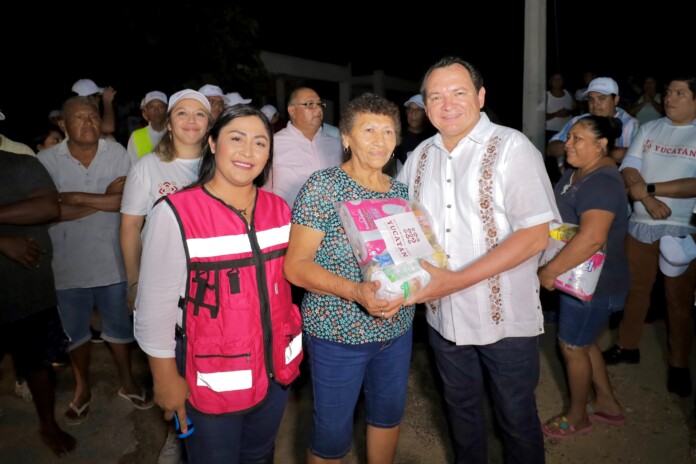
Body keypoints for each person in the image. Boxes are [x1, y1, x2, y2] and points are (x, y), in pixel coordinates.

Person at [397, 56, 559, 463]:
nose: (446, 104)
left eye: (458, 92)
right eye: (435, 96)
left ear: (481, 96)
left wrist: (452, 281)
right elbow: (402, 225)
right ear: (425, 104)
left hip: (503, 317)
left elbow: (535, 234)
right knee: (461, 414)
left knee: (515, 419)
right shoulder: (418, 158)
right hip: (443, 317)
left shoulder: (511, 146)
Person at [134, 104, 303, 463]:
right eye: (236, 139)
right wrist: (165, 378)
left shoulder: (280, 210)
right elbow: (154, 306)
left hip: (274, 373)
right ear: (212, 144)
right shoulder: (176, 212)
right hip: (209, 380)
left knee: (260, 456)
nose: (247, 152)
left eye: (260, 143)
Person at [284, 92, 412, 463]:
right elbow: (296, 266)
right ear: (345, 138)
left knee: (387, 418)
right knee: (331, 434)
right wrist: (356, 291)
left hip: (397, 329)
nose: (379, 140)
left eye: (388, 131)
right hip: (338, 334)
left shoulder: (401, 193)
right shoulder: (323, 187)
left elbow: (407, 262)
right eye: (368, 129)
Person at [36, 96, 153, 425]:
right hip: (66, 266)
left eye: (93, 116)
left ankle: (127, 382)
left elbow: (129, 201)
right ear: (63, 125)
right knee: (75, 334)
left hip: (112, 261)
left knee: (119, 330)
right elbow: (47, 210)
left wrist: (70, 198)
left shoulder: (115, 152)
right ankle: (82, 388)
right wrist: (105, 199)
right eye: (79, 118)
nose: (88, 122)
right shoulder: (46, 160)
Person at [120, 89, 211, 464]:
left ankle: (203, 431)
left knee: (205, 369)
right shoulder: (148, 167)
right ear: (169, 124)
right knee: (170, 365)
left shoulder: (221, 163)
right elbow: (129, 228)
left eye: (200, 115)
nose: (191, 120)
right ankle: (178, 433)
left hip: (210, 286)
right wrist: (135, 282)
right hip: (166, 290)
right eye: (182, 114)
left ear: (209, 125)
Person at [602, 75, 696, 398]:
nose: (669, 98)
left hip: (682, 229)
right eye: (669, 92)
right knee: (636, 290)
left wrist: (653, 190)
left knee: (678, 301)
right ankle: (627, 346)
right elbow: (629, 167)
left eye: (679, 93)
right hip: (642, 224)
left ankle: (679, 364)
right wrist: (647, 200)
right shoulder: (651, 128)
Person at [538, 116, 629, 439]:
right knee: (584, 342)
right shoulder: (575, 174)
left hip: (594, 286)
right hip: (576, 279)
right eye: (569, 137)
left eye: (577, 138)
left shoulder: (602, 183)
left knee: (572, 347)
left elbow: (592, 238)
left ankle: (577, 416)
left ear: (601, 145)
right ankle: (607, 404)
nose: (568, 144)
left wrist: (549, 270)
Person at [0, 150, 76, 457]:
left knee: (38, 365)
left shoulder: (21, 163)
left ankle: (48, 425)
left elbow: (47, 207)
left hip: (27, 291)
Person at [546, 77, 640, 181]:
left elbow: (630, 156)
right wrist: (580, 147)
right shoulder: (579, 120)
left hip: (609, 184)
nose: (595, 104)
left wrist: (584, 148)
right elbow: (551, 148)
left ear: (616, 100)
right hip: (573, 182)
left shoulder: (629, 124)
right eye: (591, 99)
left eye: (601, 98)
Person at [263, 87, 342, 209]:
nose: (318, 109)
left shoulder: (336, 144)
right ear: (292, 111)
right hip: (290, 224)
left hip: (334, 223)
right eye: (310, 104)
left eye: (320, 104)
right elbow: (264, 191)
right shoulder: (274, 144)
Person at [392, 94, 435, 171]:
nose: (413, 114)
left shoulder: (434, 138)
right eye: (410, 109)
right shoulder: (397, 136)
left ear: (426, 114)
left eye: (418, 110)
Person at [126, 91, 168, 164]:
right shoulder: (136, 137)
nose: (156, 111)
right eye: (151, 107)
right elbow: (132, 167)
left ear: (167, 110)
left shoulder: (175, 134)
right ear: (146, 111)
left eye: (160, 106)